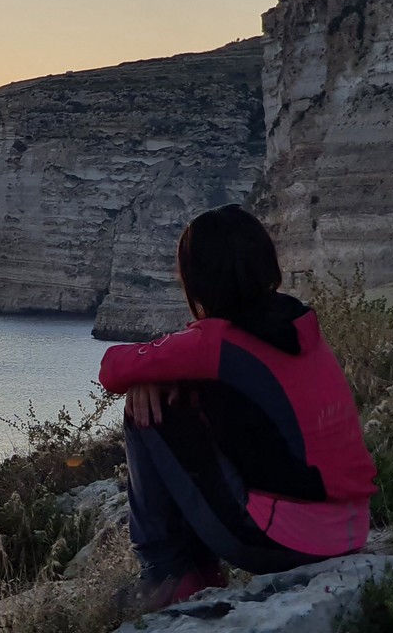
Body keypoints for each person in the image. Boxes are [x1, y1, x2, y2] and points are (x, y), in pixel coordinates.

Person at [98, 204, 377, 608]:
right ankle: (189, 571)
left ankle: (168, 572)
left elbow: (112, 368)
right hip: (352, 529)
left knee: (148, 404)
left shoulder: (215, 344)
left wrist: (151, 376)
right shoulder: (300, 325)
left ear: (196, 278)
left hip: (279, 543)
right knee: (180, 392)